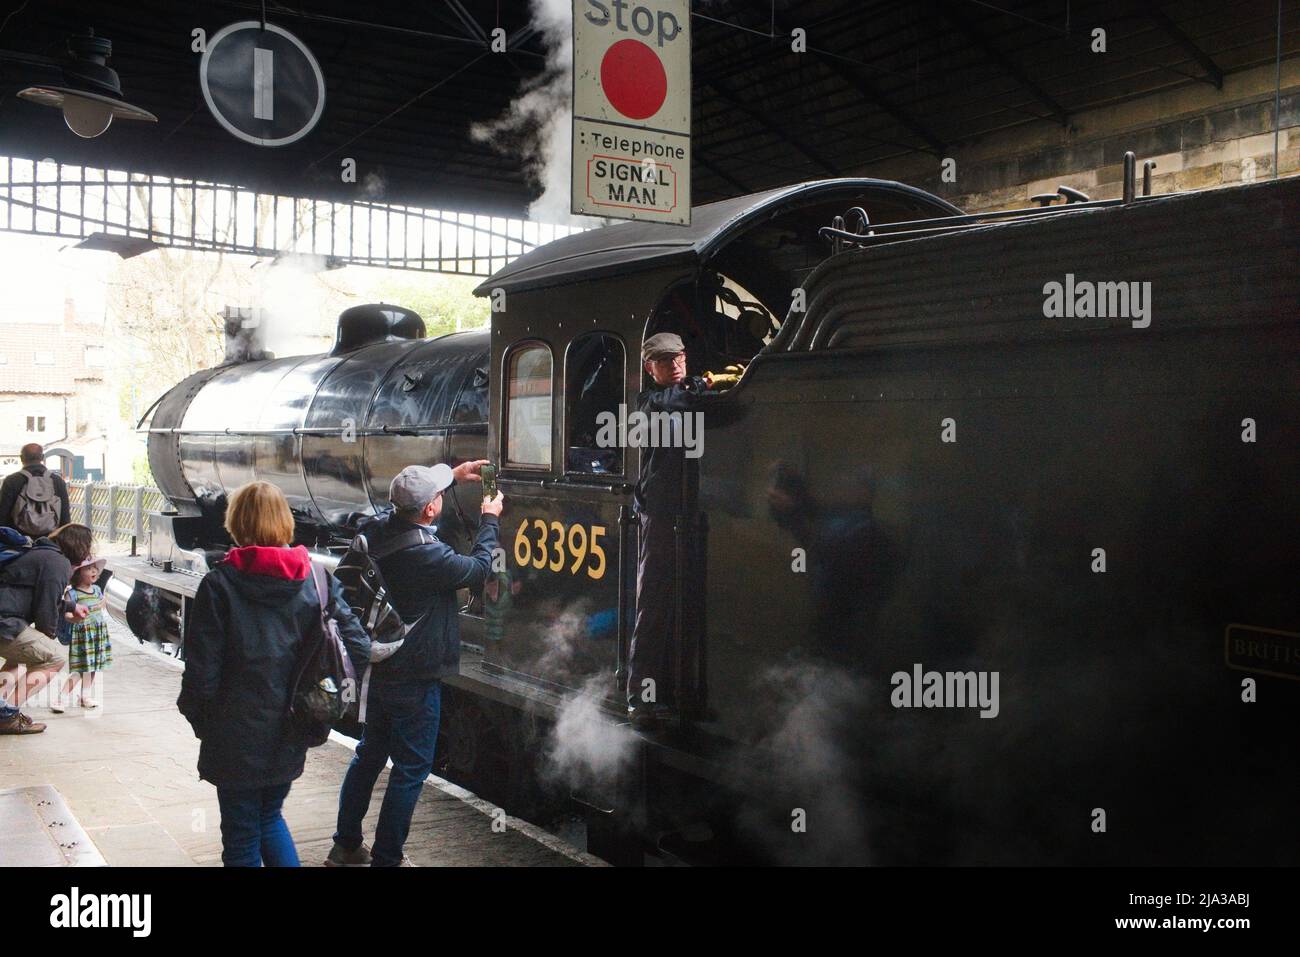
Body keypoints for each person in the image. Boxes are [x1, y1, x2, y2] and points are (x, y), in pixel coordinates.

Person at [178, 481, 370, 867]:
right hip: (292, 727)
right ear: (285, 521)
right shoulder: (318, 580)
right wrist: (317, 700)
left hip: (234, 734)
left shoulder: (219, 585)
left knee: (242, 834)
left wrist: (203, 722)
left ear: (236, 522)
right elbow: (359, 649)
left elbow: (201, 677)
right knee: (268, 817)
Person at [327, 460, 502, 868]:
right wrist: (489, 519)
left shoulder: (374, 529)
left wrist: (452, 475)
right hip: (417, 675)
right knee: (410, 769)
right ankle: (387, 858)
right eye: (437, 496)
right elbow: (479, 569)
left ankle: (346, 845)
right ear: (429, 510)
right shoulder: (430, 557)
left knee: (369, 753)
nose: (441, 500)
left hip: (381, 669)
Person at [626, 332, 740, 729]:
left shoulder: (690, 396)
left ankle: (687, 690)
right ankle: (641, 696)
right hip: (659, 514)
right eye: (665, 360)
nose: (674, 364)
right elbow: (677, 399)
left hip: (695, 515)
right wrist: (707, 381)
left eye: (679, 357)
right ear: (649, 367)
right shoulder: (647, 402)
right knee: (653, 601)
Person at [0, 523, 92, 734]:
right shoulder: (58, 562)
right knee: (52, 658)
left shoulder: (40, 553)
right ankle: (7, 716)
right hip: (5, 622)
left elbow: (37, 596)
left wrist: (70, 606)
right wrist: (49, 636)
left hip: (5, 621)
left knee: (22, 657)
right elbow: (46, 609)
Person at [52, 556, 111, 712]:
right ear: (77, 574)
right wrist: (76, 618)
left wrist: (102, 604)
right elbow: (67, 616)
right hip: (82, 636)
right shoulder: (72, 594)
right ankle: (61, 698)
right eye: (88, 568)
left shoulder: (97, 590)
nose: (94, 570)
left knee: (92, 667)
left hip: (97, 634)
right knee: (79, 670)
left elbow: (101, 606)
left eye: (94, 568)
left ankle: (85, 696)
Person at [0, 444, 72, 539]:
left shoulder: (12, 481)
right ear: (42, 457)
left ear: (21, 458)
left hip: (18, 543)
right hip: (50, 542)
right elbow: (65, 518)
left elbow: (2, 516)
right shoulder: (57, 481)